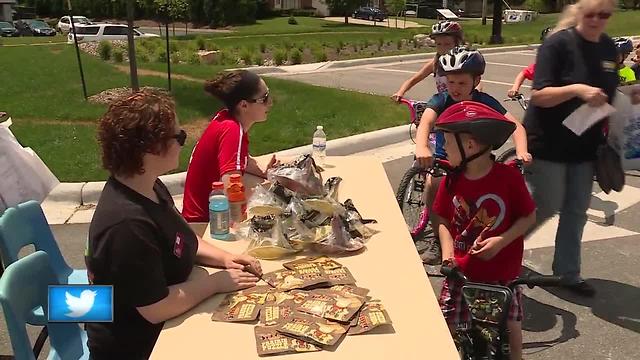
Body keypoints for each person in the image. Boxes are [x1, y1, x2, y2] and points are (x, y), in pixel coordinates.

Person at [86, 90, 262, 359]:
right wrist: (216, 283)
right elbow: (155, 308)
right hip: (138, 345)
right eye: (178, 136)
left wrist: (227, 258)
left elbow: (182, 239)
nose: (184, 141)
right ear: (151, 149)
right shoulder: (126, 225)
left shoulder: (148, 185)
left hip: (168, 320)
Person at [523, 0, 620, 297]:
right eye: (591, 14)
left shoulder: (607, 47)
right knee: (545, 205)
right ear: (579, 12)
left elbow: (610, 94)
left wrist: (630, 96)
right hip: (548, 142)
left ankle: (567, 273)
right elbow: (539, 95)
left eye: (604, 15)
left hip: (585, 145)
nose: (597, 20)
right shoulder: (558, 44)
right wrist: (576, 89)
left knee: (576, 210)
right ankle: (497, 249)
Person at [432, 101, 536, 360]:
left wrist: (502, 240)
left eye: (447, 141)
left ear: (469, 145)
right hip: (461, 271)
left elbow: (528, 216)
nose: (443, 148)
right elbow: (443, 219)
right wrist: (447, 255)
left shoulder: (509, 178)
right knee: (441, 327)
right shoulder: (451, 181)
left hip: (501, 274)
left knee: (511, 328)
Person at [414, 46, 531, 264]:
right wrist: (422, 146)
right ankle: (439, 242)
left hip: (474, 162)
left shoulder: (484, 101)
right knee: (434, 188)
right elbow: (426, 122)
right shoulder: (441, 100)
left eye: (462, 83)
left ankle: (481, 239)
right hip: (446, 159)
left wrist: (522, 150)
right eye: (450, 82)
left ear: (476, 81)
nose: (455, 89)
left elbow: (516, 127)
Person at [182, 70, 278, 223]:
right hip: (208, 225)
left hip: (197, 218)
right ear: (244, 105)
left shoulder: (226, 120)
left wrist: (264, 172)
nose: (271, 102)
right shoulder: (233, 132)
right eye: (264, 98)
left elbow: (240, 159)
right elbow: (231, 188)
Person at [391, 20, 464, 100]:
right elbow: (413, 80)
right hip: (444, 103)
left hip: (464, 104)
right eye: (439, 44)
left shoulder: (464, 63)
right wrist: (401, 92)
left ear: (457, 43)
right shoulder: (435, 63)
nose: (443, 48)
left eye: (447, 44)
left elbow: (477, 84)